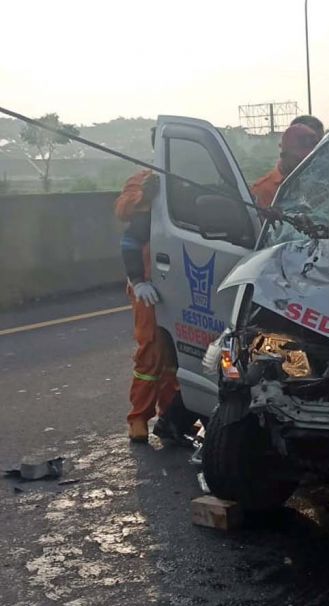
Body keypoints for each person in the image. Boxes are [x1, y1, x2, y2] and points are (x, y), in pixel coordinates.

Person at [117, 128, 197, 444]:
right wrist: (138, 281)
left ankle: (171, 414)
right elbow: (125, 218)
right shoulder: (143, 180)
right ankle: (138, 418)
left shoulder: (186, 184)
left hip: (178, 284)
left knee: (175, 354)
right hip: (148, 284)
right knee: (150, 352)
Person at [251, 123, 320, 208]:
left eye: (310, 160)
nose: (306, 165)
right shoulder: (264, 190)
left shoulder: (320, 183)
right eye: (300, 160)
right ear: (283, 155)